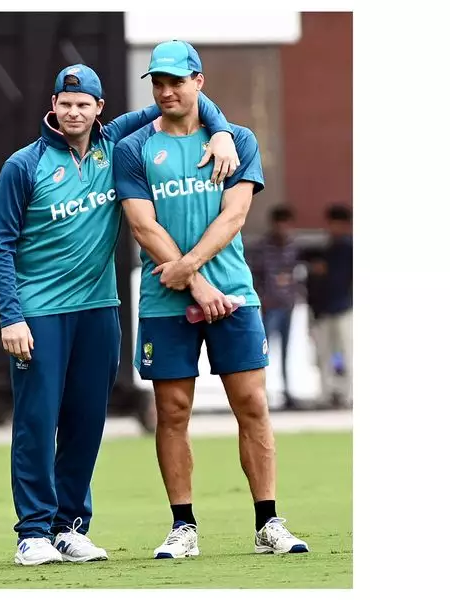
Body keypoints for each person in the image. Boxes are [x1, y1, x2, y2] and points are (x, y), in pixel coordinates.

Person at [0, 63, 240, 566]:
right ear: (53, 106)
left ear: (100, 109)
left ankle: (70, 526)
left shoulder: (117, 142)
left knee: (86, 422)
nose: (73, 111)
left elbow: (181, 102)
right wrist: (10, 316)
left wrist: (225, 132)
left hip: (100, 310)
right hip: (39, 313)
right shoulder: (24, 164)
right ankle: (33, 531)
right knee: (37, 421)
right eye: (65, 102)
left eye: (84, 104)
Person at [113, 40, 309, 559]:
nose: (166, 91)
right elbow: (141, 223)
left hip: (235, 295)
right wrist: (195, 282)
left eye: (176, 81)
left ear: (199, 81)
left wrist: (193, 266)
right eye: (158, 82)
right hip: (166, 299)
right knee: (172, 411)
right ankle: (183, 527)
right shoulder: (134, 148)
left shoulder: (237, 139)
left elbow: (235, 216)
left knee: (253, 405)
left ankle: (268, 522)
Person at [249, 206, 304, 410]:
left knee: (287, 351)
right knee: (264, 352)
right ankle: (263, 392)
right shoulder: (262, 247)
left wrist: (296, 295)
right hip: (269, 306)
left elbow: (297, 275)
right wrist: (262, 298)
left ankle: (286, 391)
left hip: (287, 305)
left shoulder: (293, 246)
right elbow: (255, 275)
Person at [308, 204, 353, 408]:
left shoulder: (349, 248)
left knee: (347, 352)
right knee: (324, 354)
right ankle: (327, 392)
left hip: (344, 307)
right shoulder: (326, 249)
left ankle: (349, 393)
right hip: (324, 309)